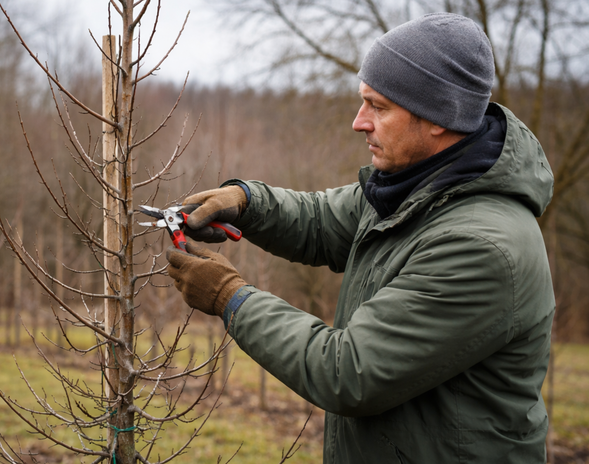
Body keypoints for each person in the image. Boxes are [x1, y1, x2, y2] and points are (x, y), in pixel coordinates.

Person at [166, 13, 555, 463]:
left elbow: (348, 372)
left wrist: (229, 298)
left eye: (379, 107)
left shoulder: (480, 248)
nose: (359, 122)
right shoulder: (411, 188)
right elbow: (321, 220)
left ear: (438, 117)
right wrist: (246, 202)